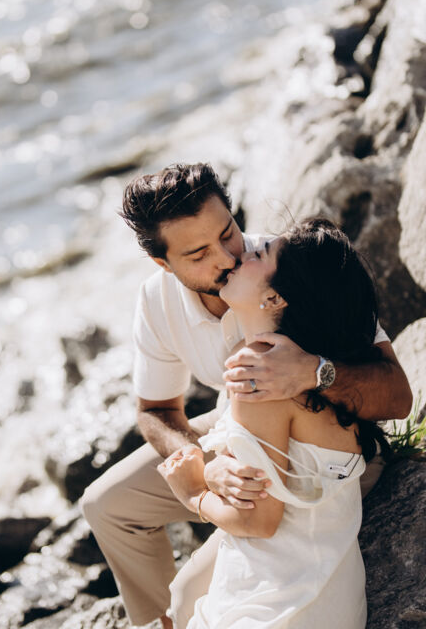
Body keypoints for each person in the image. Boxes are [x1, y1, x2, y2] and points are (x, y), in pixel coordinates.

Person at [81, 163, 411, 629]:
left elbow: (397, 395)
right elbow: (156, 411)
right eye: (199, 253)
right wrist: (205, 465)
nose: (227, 258)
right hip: (237, 434)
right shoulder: (158, 300)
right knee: (105, 505)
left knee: (191, 591)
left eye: (228, 233)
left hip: (317, 459)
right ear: (164, 263)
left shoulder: (290, 266)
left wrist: (314, 371)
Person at [159, 218, 390, 628]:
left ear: (274, 298)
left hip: (279, 604)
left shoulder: (259, 379)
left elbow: (258, 522)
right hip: (330, 590)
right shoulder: (310, 362)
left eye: (260, 254)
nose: (241, 254)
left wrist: (193, 493)